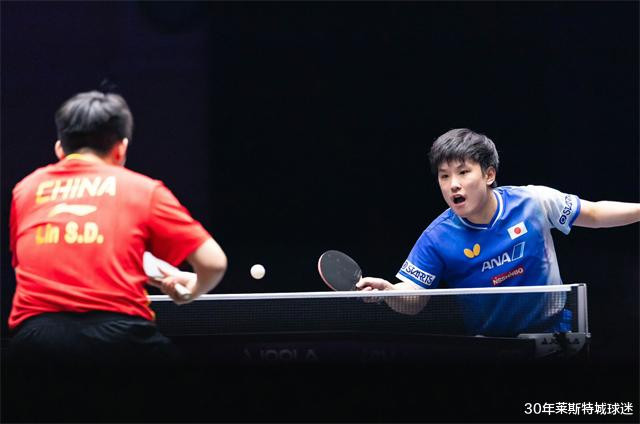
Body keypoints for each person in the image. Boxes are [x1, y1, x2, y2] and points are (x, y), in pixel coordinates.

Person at [7, 90, 227, 420]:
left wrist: (147, 270)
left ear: (59, 149)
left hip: (36, 348)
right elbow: (214, 263)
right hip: (121, 345)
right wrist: (190, 290)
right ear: (121, 149)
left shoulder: (25, 190)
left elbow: (47, 253)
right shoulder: (142, 189)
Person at [356, 128, 639, 336]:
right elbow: (414, 298)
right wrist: (389, 292)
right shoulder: (437, 237)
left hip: (556, 334)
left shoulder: (532, 202)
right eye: (444, 176)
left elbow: (594, 213)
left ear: (488, 175)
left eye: (463, 172)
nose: (453, 184)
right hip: (492, 348)